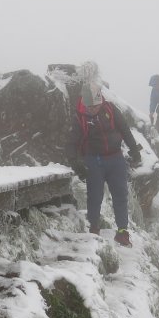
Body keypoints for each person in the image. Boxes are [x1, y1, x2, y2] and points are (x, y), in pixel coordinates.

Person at [67, 80, 142, 246]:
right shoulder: (79, 117)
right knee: (95, 196)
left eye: (96, 106)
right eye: (90, 107)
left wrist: (134, 150)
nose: (93, 109)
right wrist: (75, 162)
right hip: (94, 160)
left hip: (116, 159)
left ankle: (122, 232)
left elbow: (124, 129)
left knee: (120, 195)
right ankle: (94, 228)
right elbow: (72, 142)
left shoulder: (110, 109)